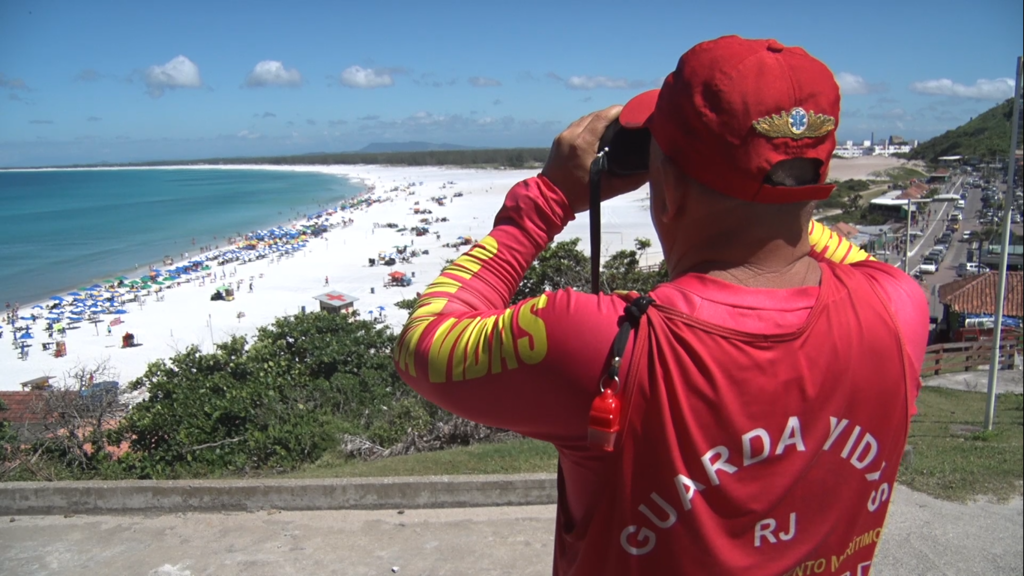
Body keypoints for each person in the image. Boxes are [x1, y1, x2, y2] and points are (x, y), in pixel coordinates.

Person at [393, 35, 928, 575]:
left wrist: (549, 198)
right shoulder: (898, 309)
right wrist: (775, 198)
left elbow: (424, 343)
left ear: (665, 188)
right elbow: (829, 251)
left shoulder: (604, 346)